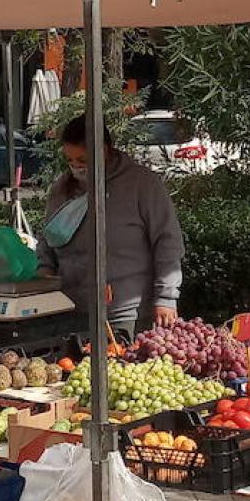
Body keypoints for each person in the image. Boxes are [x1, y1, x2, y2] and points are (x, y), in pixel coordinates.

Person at [34, 115, 183, 338]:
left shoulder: (141, 184)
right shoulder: (62, 189)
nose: (76, 167)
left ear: (103, 151)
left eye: (83, 160)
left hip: (126, 313)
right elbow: (48, 239)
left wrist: (166, 297)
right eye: (70, 160)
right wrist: (44, 272)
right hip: (70, 309)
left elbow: (167, 241)